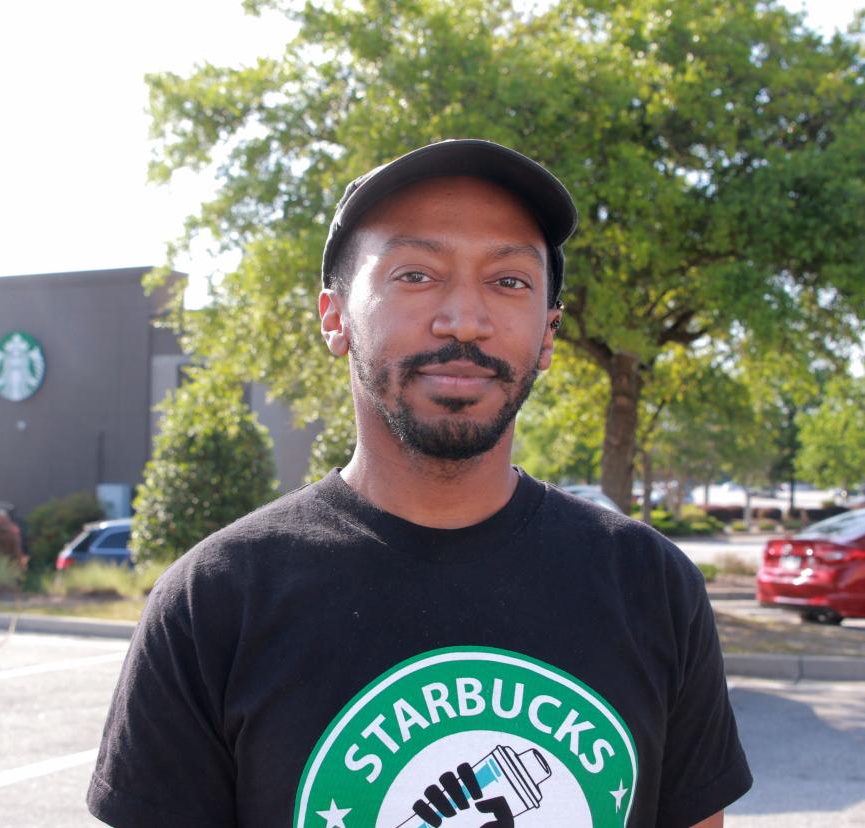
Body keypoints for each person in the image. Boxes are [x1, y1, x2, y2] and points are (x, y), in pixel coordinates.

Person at [88, 139, 752, 828]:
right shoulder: (214, 603)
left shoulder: (652, 585)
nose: (465, 320)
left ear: (549, 333)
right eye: (415, 274)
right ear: (335, 317)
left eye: (510, 282)